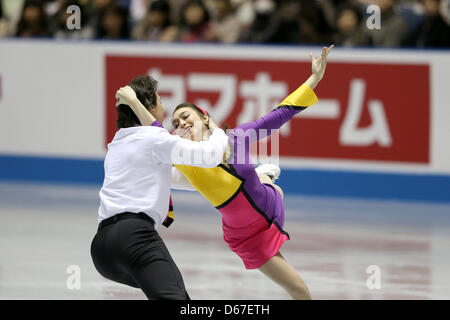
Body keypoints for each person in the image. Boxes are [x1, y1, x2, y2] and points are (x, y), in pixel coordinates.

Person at [124, 46, 334, 299]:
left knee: (265, 183)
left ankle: (264, 176)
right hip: (247, 235)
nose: (181, 124)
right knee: (298, 289)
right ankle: (264, 175)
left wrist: (314, 78)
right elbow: (154, 130)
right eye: (176, 124)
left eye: (185, 116)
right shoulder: (183, 157)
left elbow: (280, 114)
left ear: (204, 116)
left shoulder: (238, 137)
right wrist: (135, 104)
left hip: (269, 203)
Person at [90, 75, 229, 300]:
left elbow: (176, 178)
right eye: (161, 102)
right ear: (151, 107)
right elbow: (211, 155)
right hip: (134, 239)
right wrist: (217, 129)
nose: (163, 109)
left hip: (102, 249)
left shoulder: (118, 142)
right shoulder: (155, 138)